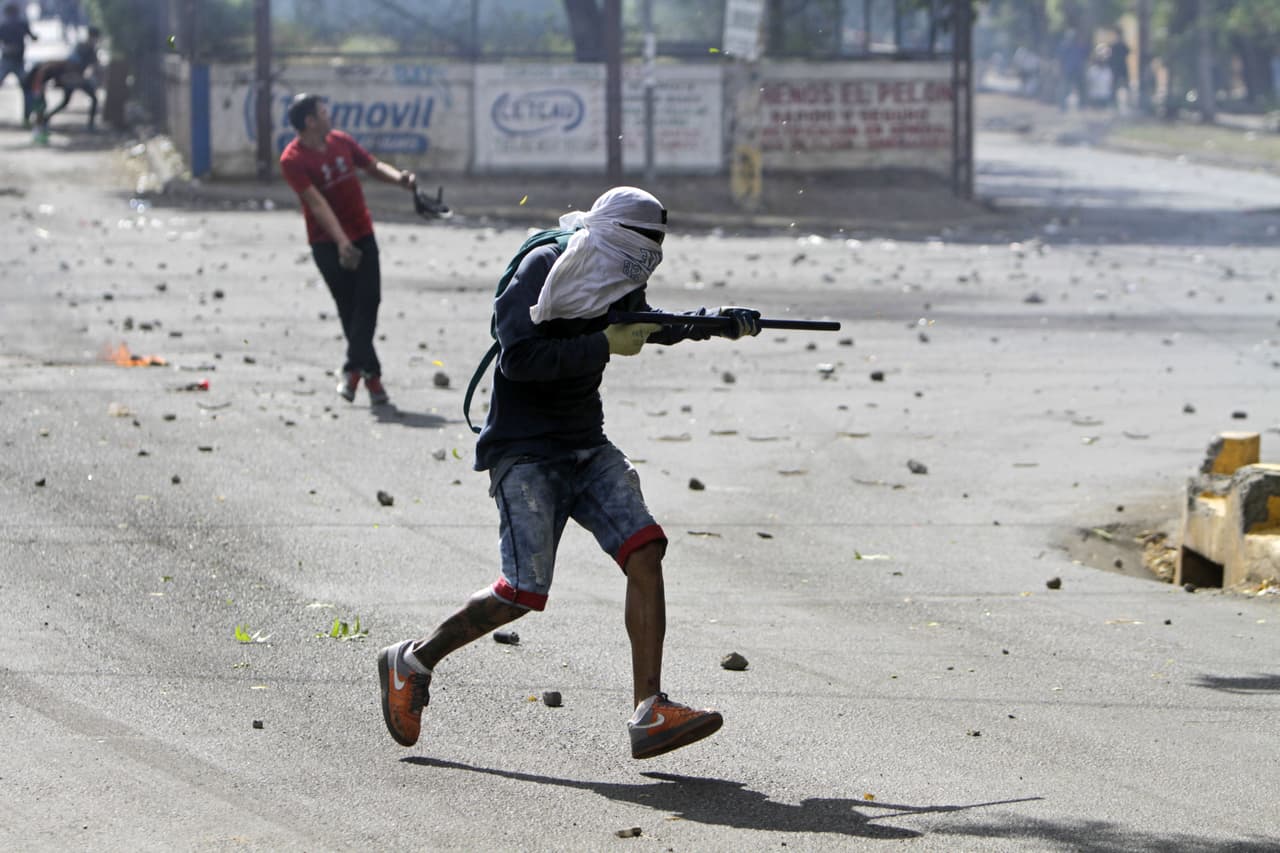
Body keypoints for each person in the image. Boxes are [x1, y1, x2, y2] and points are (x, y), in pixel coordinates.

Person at [376, 186, 762, 760]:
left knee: (645, 549)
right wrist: (600, 343)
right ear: (611, 233)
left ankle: (649, 709)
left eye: (653, 250)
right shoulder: (544, 266)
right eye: (641, 246)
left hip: (586, 443)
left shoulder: (617, 270)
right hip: (525, 451)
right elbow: (519, 358)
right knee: (522, 592)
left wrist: (718, 323)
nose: (643, 262)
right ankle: (412, 662)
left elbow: (646, 323)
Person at [279, 93, 418, 405]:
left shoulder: (341, 141)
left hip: (362, 232)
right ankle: (373, 377)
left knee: (369, 300)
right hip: (326, 242)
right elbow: (316, 204)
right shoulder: (292, 159)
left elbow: (372, 165)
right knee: (349, 307)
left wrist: (400, 179)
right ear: (310, 121)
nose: (329, 116)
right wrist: (342, 241)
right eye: (323, 112)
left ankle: (352, 369)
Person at [36, 25, 99, 131]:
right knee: (68, 101)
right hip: (71, 78)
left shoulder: (89, 49)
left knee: (70, 101)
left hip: (76, 78)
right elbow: (72, 63)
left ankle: (46, 118)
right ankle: (45, 118)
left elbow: (94, 66)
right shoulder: (81, 48)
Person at [0, 1, 37, 125]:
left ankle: (27, 117)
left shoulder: (4, 25)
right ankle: (27, 117)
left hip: (7, 60)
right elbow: (33, 37)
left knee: (27, 88)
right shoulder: (21, 24)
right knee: (27, 88)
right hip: (17, 61)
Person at [1108, 32, 1131, 109]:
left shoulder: (1117, 46)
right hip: (1118, 67)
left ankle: (1127, 100)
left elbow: (1128, 51)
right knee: (1115, 85)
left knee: (1124, 85)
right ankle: (1114, 101)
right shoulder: (1115, 46)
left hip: (1120, 67)